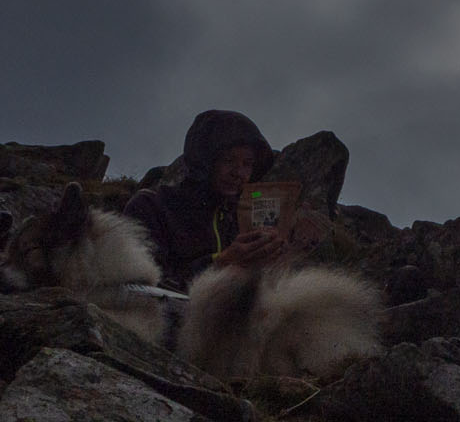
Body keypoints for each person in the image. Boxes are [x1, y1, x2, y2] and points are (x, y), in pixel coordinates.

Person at [124, 109, 318, 292]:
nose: (239, 173)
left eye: (248, 164)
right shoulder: (152, 206)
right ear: (204, 161)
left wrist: (292, 252)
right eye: (228, 160)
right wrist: (220, 264)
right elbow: (143, 287)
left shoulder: (243, 219)